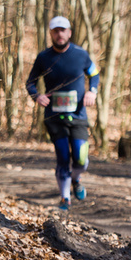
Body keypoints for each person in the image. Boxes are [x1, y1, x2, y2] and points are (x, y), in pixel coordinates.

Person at [26, 16, 99, 211]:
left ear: (69, 33)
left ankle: (76, 178)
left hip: (78, 116)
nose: (59, 34)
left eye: (63, 30)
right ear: (51, 33)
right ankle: (65, 198)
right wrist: (37, 96)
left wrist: (92, 91)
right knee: (63, 158)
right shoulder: (44, 57)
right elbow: (30, 82)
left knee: (81, 158)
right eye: (55, 30)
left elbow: (94, 74)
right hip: (54, 116)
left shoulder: (81, 55)